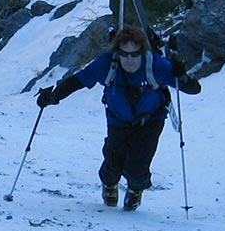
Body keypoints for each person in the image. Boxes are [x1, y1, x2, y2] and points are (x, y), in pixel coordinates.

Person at [35, 25, 201, 210]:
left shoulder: (156, 65)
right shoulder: (106, 63)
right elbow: (78, 80)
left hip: (151, 120)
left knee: (138, 166)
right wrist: (53, 97)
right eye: (124, 54)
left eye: (134, 54)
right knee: (113, 163)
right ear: (117, 52)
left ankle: (135, 190)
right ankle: (109, 184)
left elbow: (194, 89)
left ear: (143, 52)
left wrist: (182, 76)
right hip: (118, 120)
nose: (129, 59)